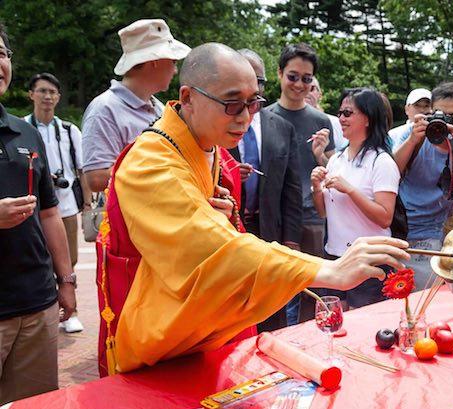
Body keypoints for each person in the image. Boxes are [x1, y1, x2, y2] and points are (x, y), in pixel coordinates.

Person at [99, 43, 408, 374]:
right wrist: (328, 271)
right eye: (232, 104)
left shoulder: (204, 144)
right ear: (188, 98)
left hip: (201, 330)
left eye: (253, 103)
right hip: (159, 337)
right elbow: (214, 251)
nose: (245, 117)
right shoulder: (150, 163)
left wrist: (223, 211)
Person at [0, 22, 77, 408]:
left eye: (1, 52)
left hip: (36, 304)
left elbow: (49, 212)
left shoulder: (24, 134)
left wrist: (65, 281)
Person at [228, 48, 303, 332]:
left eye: (257, 81)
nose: (252, 89)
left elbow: (292, 187)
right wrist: (230, 173)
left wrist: (292, 239)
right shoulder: (217, 120)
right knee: (235, 306)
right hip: (229, 229)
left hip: (269, 227)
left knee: (273, 308)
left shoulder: (281, 126)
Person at [266, 43, 336, 325]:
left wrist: (321, 155)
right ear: (280, 73)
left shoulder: (321, 120)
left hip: (312, 219)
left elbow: (334, 175)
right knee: (274, 293)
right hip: (274, 219)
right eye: (293, 76)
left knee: (313, 293)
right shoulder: (264, 117)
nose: (299, 84)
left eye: (307, 79)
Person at [391, 82, 453, 290]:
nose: (446, 122)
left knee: (420, 300)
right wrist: (412, 141)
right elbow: (389, 174)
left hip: (430, 235)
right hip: (395, 229)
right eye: (440, 114)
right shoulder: (413, 135)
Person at [311, 88, 400, 309]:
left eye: (348, 113)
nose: (341, 118)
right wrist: (315, 187)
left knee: (365, 328)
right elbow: (323, 213)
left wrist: (350, 190)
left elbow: (385, 217)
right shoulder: (336, 160)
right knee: (334, 323)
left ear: (368, 118)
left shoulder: (382, 162)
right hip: (335, 256)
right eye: (340, 112)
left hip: (370, 259)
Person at [82, 19, 190, 193]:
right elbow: (95, 178)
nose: (175, 70)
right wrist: (162, 170)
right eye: (173, 62)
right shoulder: (104, 109)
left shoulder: (160, 108)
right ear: (155, 60)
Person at [24, 73, 88, 333]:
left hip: (67, 204)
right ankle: (46, 311)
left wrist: (87, 204)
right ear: (31, 95)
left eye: (52, 92)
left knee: (68, 258)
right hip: (33, 206)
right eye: (42, 91)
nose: (47, 97)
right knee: (39, 259)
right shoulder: (22, 128)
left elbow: (82, 169)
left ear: (59, 97)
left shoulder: (69, 130)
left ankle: (71, 310)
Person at [306, 77, 347, 149]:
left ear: (320, 94)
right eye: (302, 89)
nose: (306, 92)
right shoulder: (284, 122)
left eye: (311, 88)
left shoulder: (336, 123)